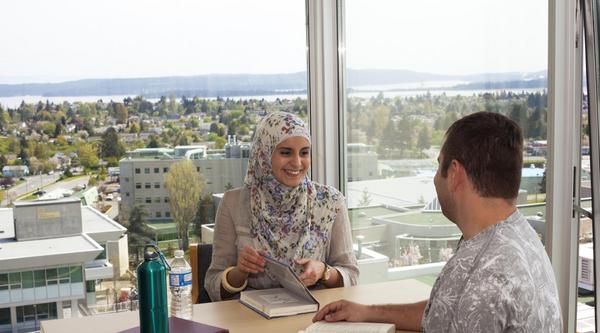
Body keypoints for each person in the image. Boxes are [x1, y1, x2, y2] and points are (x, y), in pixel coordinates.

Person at [313, 112, 562, 332]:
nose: (434, 179)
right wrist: (366, 312)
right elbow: (445, 312)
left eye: (438, 166)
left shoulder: (483, 272)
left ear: (454, 174)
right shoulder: (518, 235)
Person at [205, 111, 358, 301]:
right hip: (252, 319)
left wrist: (324, 271)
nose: (297, 162)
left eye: (304, 153)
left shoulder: (330, 202)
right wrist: (240, 272)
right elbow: (212, 285)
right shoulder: (234, 204)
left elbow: (351, 276)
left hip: (315, 316)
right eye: (286, 152)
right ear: (264, 153)